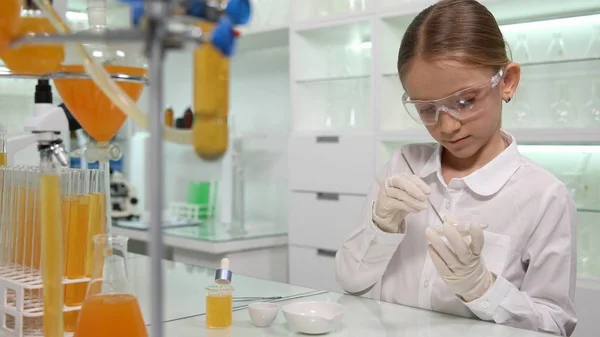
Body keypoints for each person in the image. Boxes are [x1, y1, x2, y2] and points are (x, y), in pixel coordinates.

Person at [334, 0, 577, 336]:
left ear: (507, 81)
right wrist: (380, 226)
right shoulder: (404, 165)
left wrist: (484, 288)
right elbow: (350, 281)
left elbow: (555, 324)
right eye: (426, 109)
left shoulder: (544, 196)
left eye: (465, 101)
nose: (446, 126)